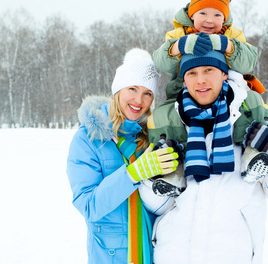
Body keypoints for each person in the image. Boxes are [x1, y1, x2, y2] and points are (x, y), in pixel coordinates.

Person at [139, 51, 268, 264]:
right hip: (174, 255)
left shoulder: (248, 124)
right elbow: (159, 207)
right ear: (184, 80)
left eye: (209, 70)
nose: (200, 79)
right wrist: (151, 178)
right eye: (192, 72)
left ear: (224, 74)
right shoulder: (172, 128)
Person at [150, 0, 268, 194]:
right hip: (182, 92)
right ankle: (173, 169)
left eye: (217, 15)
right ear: (192, 15)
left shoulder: (232, 34)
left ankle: (252, 153)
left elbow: (248, 60)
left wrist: (224, 44)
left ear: (225, 18)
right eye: (203, 13)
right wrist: (181, 45)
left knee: (251, 106)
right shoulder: (177, 34)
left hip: (225, 90)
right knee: (164, 117)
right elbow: (161, 61)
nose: (210, 20)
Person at [67, 48, 183, 264]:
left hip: (155, 253)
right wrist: (135, 172)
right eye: (132, 88)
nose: (139, 100)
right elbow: (89, 206)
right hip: (111, 257)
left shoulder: (152, 136)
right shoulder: (87, 139)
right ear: (118, 88)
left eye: (147, 93)